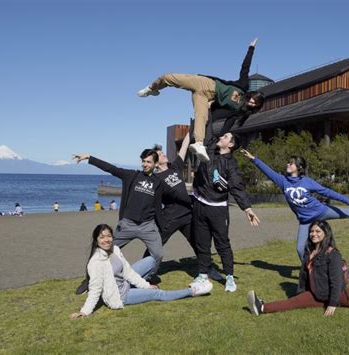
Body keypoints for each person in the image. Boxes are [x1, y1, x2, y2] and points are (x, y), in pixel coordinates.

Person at [241, 151, 349, 262]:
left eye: (291, 163)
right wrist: (253, 159)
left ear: (299, 167)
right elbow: (268, 171)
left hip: (321, 211)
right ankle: (310, 271)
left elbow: (327, 191)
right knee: (299, 249)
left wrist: (348, 201)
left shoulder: (307, 182)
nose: (287, 165)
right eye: (288, 163)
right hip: (305, 221)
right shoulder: (283, 181)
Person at [138, 38, 264, 163]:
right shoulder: (243, 87)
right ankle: (152, 89)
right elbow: (245, 68)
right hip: (205, 84)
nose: (252, 103)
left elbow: (228, 123)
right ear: (252, 95)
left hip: (204, 98)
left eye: (255, 104)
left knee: (202, 117)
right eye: (254, 99)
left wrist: (220, 136)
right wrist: (251, 49)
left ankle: (199, 144)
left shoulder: (238, 111)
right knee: (168, 77)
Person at [247, 220, 349, 317]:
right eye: (312, 231)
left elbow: (337, 281)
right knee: (293, 303)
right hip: (317, 294)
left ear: (326, 234)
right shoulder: (309, 253)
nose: (314, 234)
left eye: (318, 231)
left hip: (338, 295)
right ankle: (261, 307)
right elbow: (304, 277)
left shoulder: (332, 254)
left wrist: (333, 304)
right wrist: (301, 293)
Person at [70, 224, 212, 319]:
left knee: (151, 260)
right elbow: (95, 289)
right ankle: (193, 291)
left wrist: (145, 285)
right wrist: (84, 311)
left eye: (109, 236)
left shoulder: (116, 249)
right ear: (96, 240)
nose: (107, 240)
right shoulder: (95, 262)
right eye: (102, 237)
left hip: (125, 282)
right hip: (120, 295)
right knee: (157, 293)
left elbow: (128, 272)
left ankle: (145, 286)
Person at [72, 149, 165, 277]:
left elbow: (157, 205)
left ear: (155, 164)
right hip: (127, 224)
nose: (145, 164)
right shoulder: (131, 175)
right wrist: (89, 158)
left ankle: (147, 278)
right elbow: (111, 169)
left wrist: (162, 226)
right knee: (103, 250)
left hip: (147, 226)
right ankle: (90, 279)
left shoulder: (158, 182)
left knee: (158, 255)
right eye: (143, 161)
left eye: (148, 162)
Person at [190, 131, 260, 293]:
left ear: (231, 145)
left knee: (222, 244)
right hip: (200, 205)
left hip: (218, 209)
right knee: (202, 243)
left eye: (226, 137)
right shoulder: (207, 152)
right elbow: (208, 131)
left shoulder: (231, 164)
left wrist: (247, 208)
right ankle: (202, 274)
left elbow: (236, 187)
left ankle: (229, 276)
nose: (222, 137)